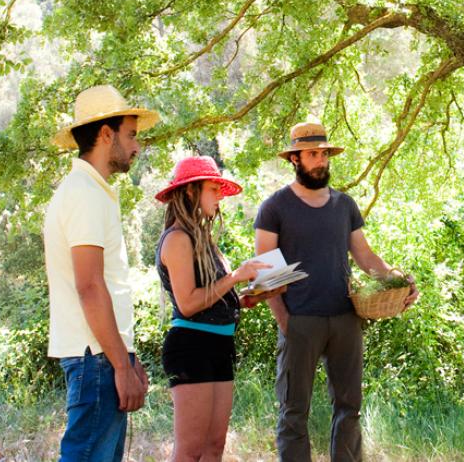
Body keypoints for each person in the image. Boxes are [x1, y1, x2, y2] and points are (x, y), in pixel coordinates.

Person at [254, 121, 419, 462]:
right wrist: (284, 320)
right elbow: (265, 268)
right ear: (295, 159)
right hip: (299, 320)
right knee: (293, 412)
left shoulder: (344, 205)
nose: (321, 161)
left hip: (346, 319)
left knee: (349, 408)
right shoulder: (274, 207)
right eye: (313, 154)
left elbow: (365, 255)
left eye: (324, 153)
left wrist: (398, 280)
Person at [44, 84, 159, 462]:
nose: (137, 147)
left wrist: (126, 355)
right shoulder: (85, 194)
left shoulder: (89, 191)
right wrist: (120, 365)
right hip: (95, 358)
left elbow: (102, 284)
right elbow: (90, 286)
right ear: (106, 134)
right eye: (131, 135)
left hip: (100, 354)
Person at [155, 155, 281, 462]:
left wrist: (244, 296)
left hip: (220, 345)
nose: (219, 198)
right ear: (189, 192)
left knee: (214, 448)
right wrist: (236, 276)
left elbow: (213, 293)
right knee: (190, 451)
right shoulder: (177, 239)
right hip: (191, 346)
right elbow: (187, 304)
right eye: (213, 189)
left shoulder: (203, 237)